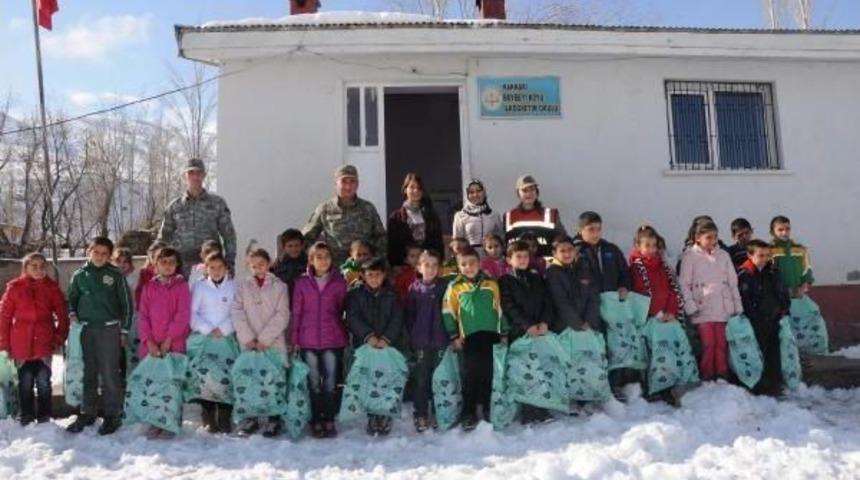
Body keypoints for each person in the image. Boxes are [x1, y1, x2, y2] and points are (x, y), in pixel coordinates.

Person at [66, 237, 133, 435]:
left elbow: (126, 304)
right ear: (89, 251)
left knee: (109, 373)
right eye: (96, 252)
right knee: (88, 372)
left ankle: (113, 414)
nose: (100, 257)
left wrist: (124, 330)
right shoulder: (79, 275)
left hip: (109, 329)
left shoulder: (115, 275)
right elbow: (71, 299)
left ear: (110, 256)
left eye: (105, 254)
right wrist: (72, 313)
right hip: (86, 330)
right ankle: (88, 412)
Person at [442, 247, 507, 431]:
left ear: (479, 264)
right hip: (468, 337)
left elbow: (500, 309)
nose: (468, 267)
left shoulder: (490, 284)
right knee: (470, 374)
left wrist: (504, 332)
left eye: (472, 263)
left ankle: (486, 407)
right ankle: (468, 412)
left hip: (490, 335)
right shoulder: (455, 287)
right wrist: (454, 335)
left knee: (488, 373)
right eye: (464, 264)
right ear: (458, 266)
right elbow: (448, 312)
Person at [0, 253, 69, 425]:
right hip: (21, 343)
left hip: (45, 341)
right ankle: (27, 415)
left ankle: (45, 416)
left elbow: (62, 314)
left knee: (44, 382)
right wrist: (4, 344)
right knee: (25, 382)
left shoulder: (51, 288)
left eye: (42, 266)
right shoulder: (15, 288)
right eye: (34, 266)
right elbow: (4, 317)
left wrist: (59, 337)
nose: (39, 270)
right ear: (25, 268)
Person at [289, 242, 348, 439]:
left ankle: (329, 418)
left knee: (330, 382)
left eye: (326, 256)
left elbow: (341, 309)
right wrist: (295, 338)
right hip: (308, 340)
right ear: (311, 260)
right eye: (319, 256)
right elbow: (296, 312)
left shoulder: (339, 283)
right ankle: (316, 419)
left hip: (332, 339)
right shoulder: (302, 283)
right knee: (313, 382)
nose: (323, 260)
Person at [231, 248, 290, 437]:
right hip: (250, 343)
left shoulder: (279, 286)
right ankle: (252, 418)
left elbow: (282, 314)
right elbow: (237, 312)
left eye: (262, 264)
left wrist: (265, 338)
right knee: (251, 380)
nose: (258, 269)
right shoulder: (243, 287)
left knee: (273, 380)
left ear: (269, 263)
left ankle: (274, 418)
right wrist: (248, 337)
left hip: (272, 342)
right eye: (254, 266)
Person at [136, 247, 192, 440]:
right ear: (155, 264)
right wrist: (148, 341)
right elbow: (143, 316)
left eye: (171, 262)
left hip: (173, 345)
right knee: (154, 384)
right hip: (151, 347)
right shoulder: (149, 287)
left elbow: (182, 315)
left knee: (171, 384)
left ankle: (170, 421)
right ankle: (154, 420)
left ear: (177, 265)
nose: (167, 266)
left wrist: (169, 339)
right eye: (163, 262)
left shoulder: (181, 287)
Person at [678, 221, 743, 382]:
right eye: (709, 237)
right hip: (702, 308)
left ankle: (722, 373)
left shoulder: (723, 255)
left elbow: (733, 282)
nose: (713, 241)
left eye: (715, 237)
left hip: (722, 307)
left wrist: (737, 306)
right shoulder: (689, 257)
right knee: (708, 344)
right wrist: (691, 306)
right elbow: (684, 285)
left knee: (721, 344)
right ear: (697, 238)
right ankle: (707, 375)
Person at [346, 257, 403, 437]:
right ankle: (372, 414)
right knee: (369, 380)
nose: (374, 279)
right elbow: (352, 318)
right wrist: (368, 337)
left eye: (377, 275)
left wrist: (387, 338)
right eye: (370, 275)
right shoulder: (355, 295)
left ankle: (385, 414)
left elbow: (397, 318)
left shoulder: (392, 295)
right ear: (363, 276)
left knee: (386, 379)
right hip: (366, 345)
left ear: (384, 275)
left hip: (387, 345)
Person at [629, 225, 686, 405]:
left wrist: (670, 312)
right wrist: (657, 313)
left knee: (669, 350)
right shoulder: (636, 267)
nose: (651, 249)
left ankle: (668, 387)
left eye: (654, 245)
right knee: (654, 352)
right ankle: (653, 387)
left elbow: (672, 291)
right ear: (638, 246)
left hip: (666, 317)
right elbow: (641, 293)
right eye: (647, 245)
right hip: (650, 318)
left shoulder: (662, 266)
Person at [498, 240, 554, 425]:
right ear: (509, 260)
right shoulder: (505, 281)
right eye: (518, 257)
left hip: (540, 330)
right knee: (525, 371)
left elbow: (547, 301)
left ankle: (541, 407)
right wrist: (527, 325)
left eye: (525, 256)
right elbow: (509, 307)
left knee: (541, 368)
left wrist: (545, 322)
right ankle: (528, 411)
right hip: (520, 332)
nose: (522, 260)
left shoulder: (537, 278)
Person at [158, 158, 237, 276]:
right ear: (184, 176)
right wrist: (155, 262)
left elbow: (229, 235)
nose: (195, 177)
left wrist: (230, 261)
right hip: (181, 268)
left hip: (210, 266)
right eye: (191, 173)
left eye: (198, 173)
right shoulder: (175, 206)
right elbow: (163, 237)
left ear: (204, 175)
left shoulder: (217, 203)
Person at [190, 251, 238, 434]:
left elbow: (237, 312)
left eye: (220, 267)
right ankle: (209, 416)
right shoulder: (200, 287)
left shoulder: (233, 287)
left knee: (225, 378)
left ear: (226, 268)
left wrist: (224, 329)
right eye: (212, 267)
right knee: (207, 378)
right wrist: (208, 329)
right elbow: (192, 313)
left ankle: (225, 416)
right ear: (206, 269)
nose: (216, 271)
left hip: (226, 340)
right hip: (206, 339)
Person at [303, 164, 387, 266]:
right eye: (343, 181)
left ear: (357, 184)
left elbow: (381, 237)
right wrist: (315, 260)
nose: (348, 186)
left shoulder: (368, 208)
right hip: (335, 270)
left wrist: (376, 260)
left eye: (352, 181)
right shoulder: (325, 209)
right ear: (336, 184)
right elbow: (307, 237)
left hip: (364, 269)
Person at [404, 249, 450, 433]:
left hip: (441, 340)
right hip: (421, 342)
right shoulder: (414, 289)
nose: (430, 269)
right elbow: (409, 317)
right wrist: (412, 338)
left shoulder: (445, 287)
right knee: (421, 379)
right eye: (426, 265)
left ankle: (441, 411)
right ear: (419, 267)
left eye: (434, 265)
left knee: (440, 378)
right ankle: (420, 413)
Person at [738, 239, 791, 397]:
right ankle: (757, 385)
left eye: (767, 255)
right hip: (755, 320)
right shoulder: (744, 274)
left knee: (773, 352)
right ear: (749, 255)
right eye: (760, 255)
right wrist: (751, 316)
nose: (765, 259)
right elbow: (743, 298)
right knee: (757, 352)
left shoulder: (773, 271)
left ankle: (774, 384)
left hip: (774, 318)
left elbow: (782, 291)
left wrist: (784, 308)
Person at [387, 173, 444, 267]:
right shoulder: (396, 217)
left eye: (419, 188)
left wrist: (438, 263)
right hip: (404, 268)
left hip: (428, 267)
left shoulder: (431, 215)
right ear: (405, 190)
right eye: (412, 187)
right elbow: (392, 245)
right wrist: (396, 266)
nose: (416, 190)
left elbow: (438, 243)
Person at [545, 236, 601, 333]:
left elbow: (593, 295)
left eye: (570, 249)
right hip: (565, 328)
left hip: (588, 325)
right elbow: (561, 302)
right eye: (562, 251)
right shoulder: (553, 273)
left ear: (575, 250)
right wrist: (578, 323)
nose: (567, 253)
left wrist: (589, 320)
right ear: (554, 253)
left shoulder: (582, 268)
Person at [504, 175, 566, 258]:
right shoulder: (509, 216)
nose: (529, 193)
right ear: (518, 193)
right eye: (524, 190)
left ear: (537, 192)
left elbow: (563, 240)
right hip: (520, 267)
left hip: (546, 267)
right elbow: (505, 245)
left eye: (532, 189)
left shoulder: (550, 214)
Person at [452, 179, 503, 254]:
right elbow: (457, 241)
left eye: (478, 191)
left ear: (484, 193)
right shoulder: (460, 215)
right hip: (469, 256)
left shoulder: (494, 214)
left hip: (490, 256)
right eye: (471, 192)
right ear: (467, 195)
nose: (475, 195)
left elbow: (500, 237)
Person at [769, 215, 814, 298]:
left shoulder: (800, 249)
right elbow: (768, 274)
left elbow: (807, 269)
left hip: (798, 293)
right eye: (780, 230)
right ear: (772, 232)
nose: (785, 233)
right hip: (778, 295)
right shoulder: (769, 250)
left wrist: (804, 286)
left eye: (787, 229)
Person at [112, 247, 141, 374]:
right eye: (119, 261)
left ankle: (133, 376)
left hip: (132, 316)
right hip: (115, 317)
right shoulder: (110, 276)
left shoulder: (135, 276)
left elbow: (132, 297)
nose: (122, 265)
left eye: (125, 262)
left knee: (133, 347)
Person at [270, 228, 307, 296]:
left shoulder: (309, 265)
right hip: (283, 302)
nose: (294, 249)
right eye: (290, 246)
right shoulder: (278, 266)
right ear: (284, 247)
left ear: (302, 246)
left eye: (297, 245)